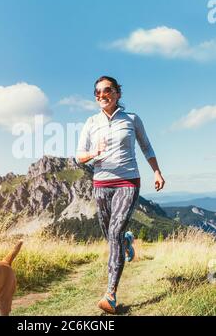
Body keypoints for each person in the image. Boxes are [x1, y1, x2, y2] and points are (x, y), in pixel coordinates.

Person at [76, 75, 165, 314]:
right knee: (111, 235)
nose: (102, 95)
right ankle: (126, 241)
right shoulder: (91, 122)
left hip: (128, 181)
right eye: (97, 92)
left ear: (117, 93)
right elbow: (79, 156)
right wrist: (94, 152)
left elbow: (146, 146)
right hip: (101, 184)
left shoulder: (132, 119)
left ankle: (110, 294)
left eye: (107, 90)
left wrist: (156, 172)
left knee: (113, 231)